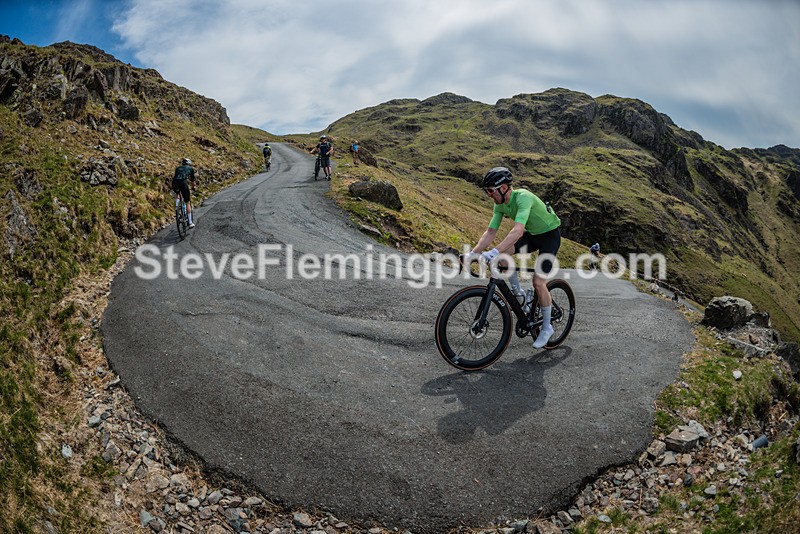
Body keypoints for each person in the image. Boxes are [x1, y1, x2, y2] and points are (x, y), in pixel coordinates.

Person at [467, 167, 562, 349]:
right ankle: (520, 296)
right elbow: (491, 232)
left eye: (490, 191)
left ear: (503, 188)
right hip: (533, 235)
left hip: (550, 235)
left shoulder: (523, 197)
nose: (488, 195)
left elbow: (518, 231)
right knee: (502, 258)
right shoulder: (499, 204)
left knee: (538, 282)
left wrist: (493, 251)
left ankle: (547, 327)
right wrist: (474, 253)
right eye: (486, 191)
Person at [172, 157, 197, 228]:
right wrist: (193, 187)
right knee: (187, 202)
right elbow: (192, 180)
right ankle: (190, 222)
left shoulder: (177, 168)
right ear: (189, 164)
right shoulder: (190, 168)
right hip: (183, 183)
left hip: (174, 182)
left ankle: (177, 206)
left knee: (177, 193)